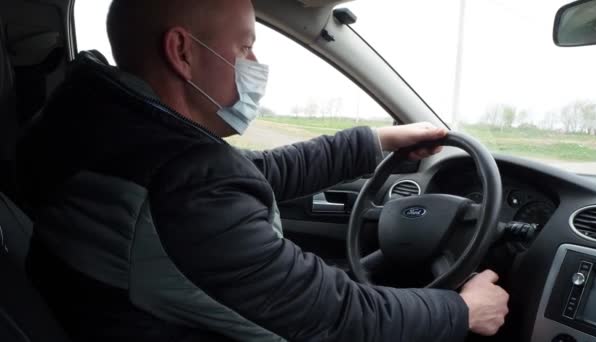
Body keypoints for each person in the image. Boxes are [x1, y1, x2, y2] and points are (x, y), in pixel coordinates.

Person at [18, 0, 509, 341]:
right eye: (247, 46)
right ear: (183, 52)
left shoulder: (104, 132)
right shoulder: (183, 193)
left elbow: (259, 172)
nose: (256, 63)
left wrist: (375, 142)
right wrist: (461, 311)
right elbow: (337, 321)